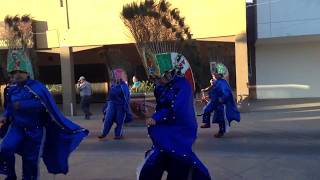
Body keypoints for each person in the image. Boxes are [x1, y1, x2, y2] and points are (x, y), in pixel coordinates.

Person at [0, 49, 89, 180]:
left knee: (30, 159)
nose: (17, 75)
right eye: (14, 72)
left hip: (35, 130)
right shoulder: (11, 89)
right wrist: (5, 114)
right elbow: (9, 107)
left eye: (20, 71)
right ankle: (10, 175)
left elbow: (44, 105)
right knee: (6, 148)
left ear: (27, 72)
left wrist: (23, 105)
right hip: (17, 128)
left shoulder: (38, 87)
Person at [137, 51, 211, 180]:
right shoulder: (161, 86)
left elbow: (176, 109)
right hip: (164, 130)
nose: (158, 80)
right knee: (154, 162)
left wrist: (156, 118)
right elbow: (162, 105)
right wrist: (150, 113)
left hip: (179, 131)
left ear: (169, 72)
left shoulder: (183, 86)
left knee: (178, 161)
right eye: (156, 77)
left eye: (160, 77)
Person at [202, 63, 240, 138]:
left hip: (220, 103)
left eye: (215, 73)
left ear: (219, 74)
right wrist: (207, 96)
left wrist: (221, 99)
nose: (214, 75)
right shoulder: (216, 82)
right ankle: (207, 123)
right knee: (206, 110)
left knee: (220, 118)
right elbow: (213, 91)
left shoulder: (223, 83)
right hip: (214, 102)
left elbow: (227, 93)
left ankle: (221, 131)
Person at [98, 68, 131, 140]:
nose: (115, 76)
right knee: (108, 119)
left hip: (120, 105)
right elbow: (110, 97)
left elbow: (126, 97)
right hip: (112, 104)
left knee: (120, 120)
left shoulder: (123, 86)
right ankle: (104, 133)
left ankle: (118, 134)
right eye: (114, 75)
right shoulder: (113, 85)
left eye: (116, 75)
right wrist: (106, 106)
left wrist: (126, 107)